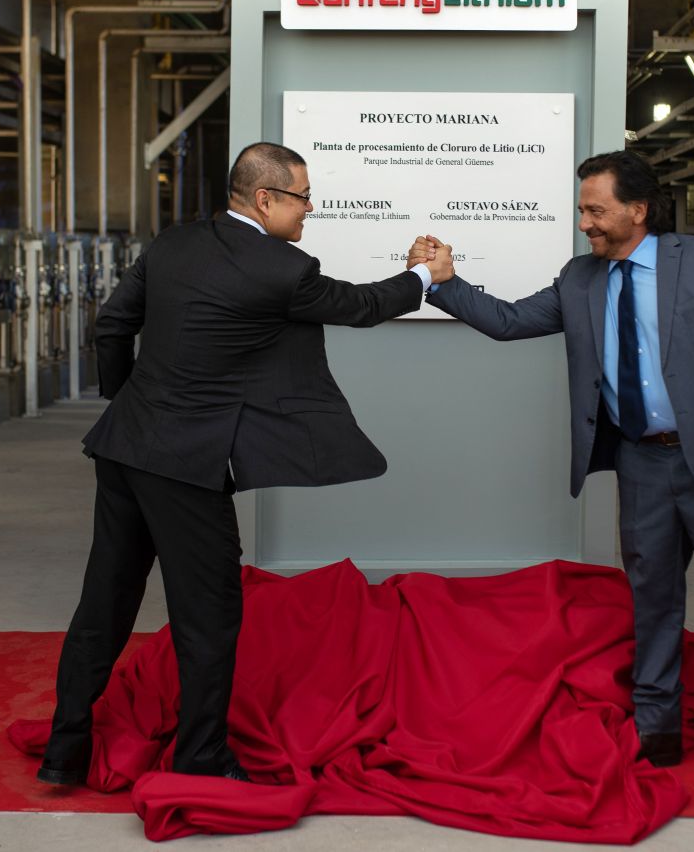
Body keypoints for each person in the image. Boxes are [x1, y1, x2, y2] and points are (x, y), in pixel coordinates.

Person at [38, 142, 454, 786]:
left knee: (105, 602)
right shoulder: (281, 268)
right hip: (187, 467)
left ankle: (64, 750)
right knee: (209, 616)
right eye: (303, 197)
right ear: (265, 199)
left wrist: (132, 407)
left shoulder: (173, 244)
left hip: (124, 449)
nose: (310, 209)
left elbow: (112, 327)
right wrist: (425, 276)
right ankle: (201, 758)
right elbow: (359, 307)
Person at [410, 149, 694, 791]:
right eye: (581, 210)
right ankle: (658, 725)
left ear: (638, 210)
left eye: (595, 210)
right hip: (641, 464)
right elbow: (509, 322)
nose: (584, 223)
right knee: (653, 600)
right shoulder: (580, 279)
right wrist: (445, 282)